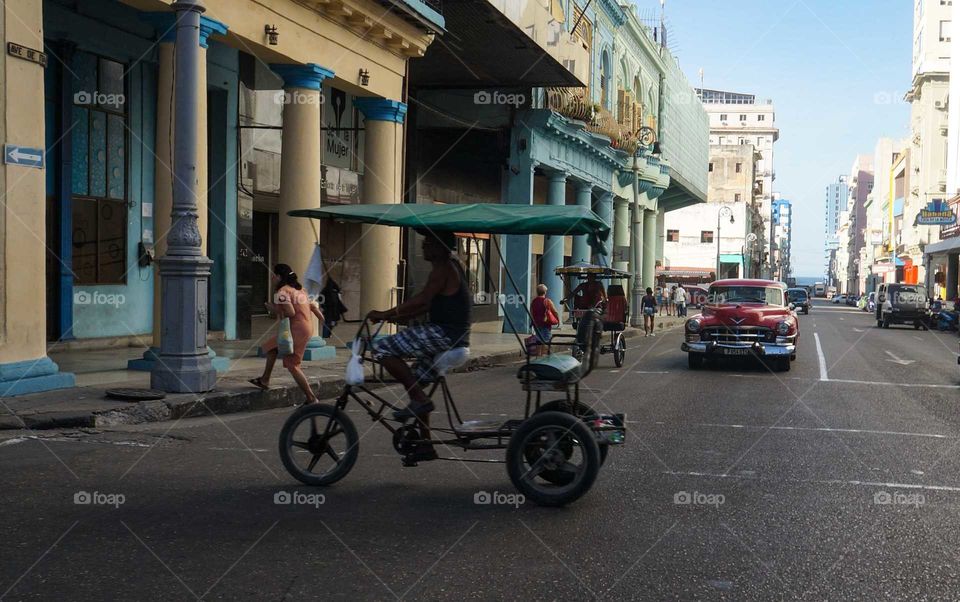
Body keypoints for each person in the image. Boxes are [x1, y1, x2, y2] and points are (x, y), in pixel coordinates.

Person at [366, 230, 471, 461]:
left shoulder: (444, 269)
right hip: (453, 338)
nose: (423, 246)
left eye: (428, 243)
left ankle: (420, 400)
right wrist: (395, 318)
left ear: (440, 247)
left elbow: (423, 299)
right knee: (416, 385)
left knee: (382, 348)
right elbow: (426, 306)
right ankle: (426, 445)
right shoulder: (449, 267)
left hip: (446, 335)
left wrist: (384, 313)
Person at [249, 264, 325, 405]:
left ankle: (311, 398)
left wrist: (272, 309)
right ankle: (265, 379)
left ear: (279, 276)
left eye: (273, 275)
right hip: (306, 327)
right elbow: (311, 306)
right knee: (270, 347)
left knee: (293, 365)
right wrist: (320, 317)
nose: (271, 278)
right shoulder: (300, 289)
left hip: (297, 329)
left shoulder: (282, 292)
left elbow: (290, 312)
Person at [530, 284, 560, 356]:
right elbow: (555, 312)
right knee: (546, 341)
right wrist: (558, 320)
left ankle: (538, 356)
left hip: (536, 324)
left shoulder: (533, 301)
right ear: (545, 292)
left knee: (538, 340)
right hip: (545, 324)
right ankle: (544, 356)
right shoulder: (547, 301)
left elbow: (531, 312)